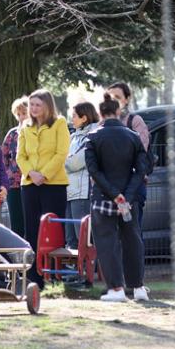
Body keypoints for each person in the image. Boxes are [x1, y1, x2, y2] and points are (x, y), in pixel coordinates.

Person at [85, 93, 148, 302]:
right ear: (118, 111)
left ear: (100, 113)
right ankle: (138, 287)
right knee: (132, 240)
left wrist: (114, 194)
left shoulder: (93, 138)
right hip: (129, 198)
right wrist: (126, 196)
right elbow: (141, 170)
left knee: (106, 241)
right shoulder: (133, 137)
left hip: (103, 197)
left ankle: (116, 288)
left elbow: (94, 171)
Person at [17, 89, 70, 288]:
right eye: (32, 105)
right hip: (30, 185)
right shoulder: (25, 127)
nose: (34, 108)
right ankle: (34, 279)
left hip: (53, 184)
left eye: (38, 105)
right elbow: (20, 156)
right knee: (31, 230)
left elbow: (61, 153)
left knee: (54, 231)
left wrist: (45, 174)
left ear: (47, 106)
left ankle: (55, 277)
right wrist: (31, 174)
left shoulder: (60, 123)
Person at [108, 82, 150, 229]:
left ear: (126, 99)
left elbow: (140, 151)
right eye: (109, 97)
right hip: (108, 187)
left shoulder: (135, 121)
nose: (112, 100)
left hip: (132, 186)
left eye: (117, 97)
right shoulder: (101, 124)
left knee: (132, 233)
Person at [65, 101, 99, 249]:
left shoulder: (93, 135)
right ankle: (74, 270)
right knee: (70, 237)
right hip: (69, 191)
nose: (72, 119)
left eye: (74, 116)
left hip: (82, 192)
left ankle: (88, 270)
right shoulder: (73, 137)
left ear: (84, 118)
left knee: (83, 237)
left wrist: (59, 163)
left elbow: (76, 163)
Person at [2, 97, 29, 237]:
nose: (21, 117)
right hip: (13, 184)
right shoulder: (12, 134)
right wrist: (8, 173)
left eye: (24, 113)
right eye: (18, 114)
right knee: (16, 222)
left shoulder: (36, 132)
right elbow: (3, 156)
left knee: (31, 222)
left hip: (31, 182)